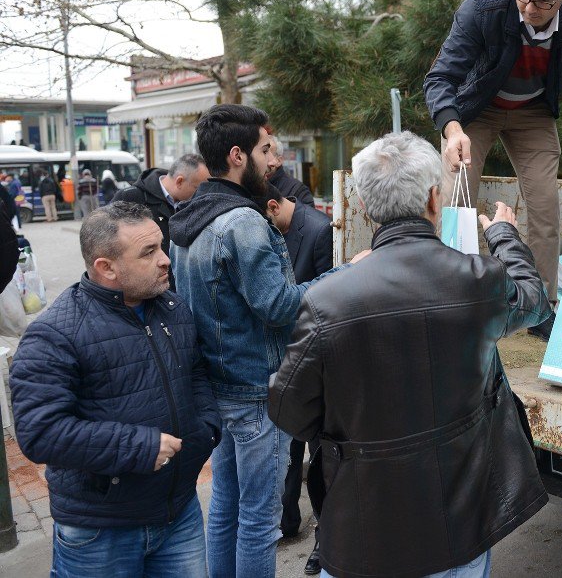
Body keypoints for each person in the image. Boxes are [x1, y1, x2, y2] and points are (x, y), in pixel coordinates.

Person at [269, 131, 551, 578]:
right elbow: (534, 300)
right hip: (460, 525)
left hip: (362, 532)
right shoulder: (477, 280)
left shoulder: (326, 300)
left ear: (364, 206)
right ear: (436, 199)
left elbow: (289, 410)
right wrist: (503, 234)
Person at [168, 104, 352, 578]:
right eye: (266, 149)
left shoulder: (188, 220)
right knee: (258, 521)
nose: (276, 161)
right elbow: (282, 307)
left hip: (217, 390)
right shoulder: (243, 222)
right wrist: (347, 275)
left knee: (227, 507)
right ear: (236, 156)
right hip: (254, 395)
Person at [9, 202, 220, 577]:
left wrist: (205, 430)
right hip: (100, 529)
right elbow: (40, 433)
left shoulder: (171, 307)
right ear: (107, 268)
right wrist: (140, 447)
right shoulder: (55, 334)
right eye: (148, 252)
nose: (166, 259)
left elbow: (195, 374)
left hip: (179, 512)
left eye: (162, 245)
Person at [424, 0, 562, 340]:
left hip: (532, 113)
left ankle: (540, 307)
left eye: (543, 1)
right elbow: (441, 77)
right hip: (477, 108)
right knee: (457, 197)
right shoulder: (486, 3)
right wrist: (452, 128)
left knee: (545, 204)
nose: (529, 8)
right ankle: (455, 301)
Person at [257, 185, 331, 574]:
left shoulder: (319, 230)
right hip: (285, 359)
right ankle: (287, 521)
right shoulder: (269, 231)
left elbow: (327, 297)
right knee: (287, 453)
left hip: (314, 360)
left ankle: (323, 538)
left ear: (274, 206)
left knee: (318, 456)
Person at [112, 153, 210, 287]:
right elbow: (106, 242)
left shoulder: (194, 204)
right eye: (198, 189)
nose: (202, 195)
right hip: (145, 289)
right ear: (179, 181)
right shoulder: (131, 198)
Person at [268, 138, 314, 207]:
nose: (262, 159)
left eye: (266, 152)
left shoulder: (298, 191)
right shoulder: (248, 186)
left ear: (279, 161)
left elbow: (307, 216)